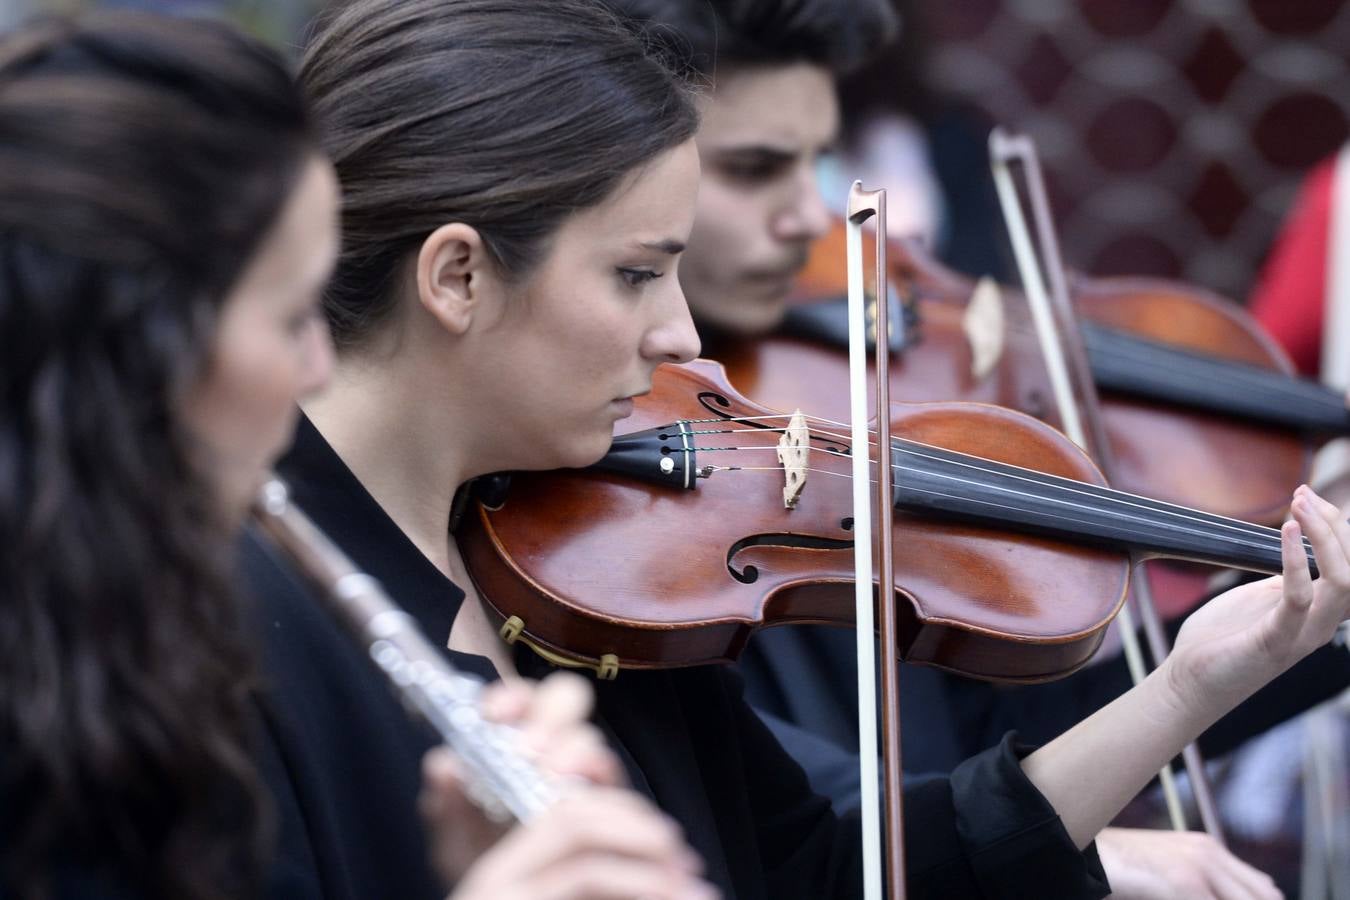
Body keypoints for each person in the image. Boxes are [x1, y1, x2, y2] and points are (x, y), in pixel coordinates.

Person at [235, 0, 1350, 896]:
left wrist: (1197, 682)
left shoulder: (570, 561)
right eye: (634, 273)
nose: (681, 335)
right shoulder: (226, 635)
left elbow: (828, 872)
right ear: (459, 276)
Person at [604, 1, 1350, 897]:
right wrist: (1100, 847)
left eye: (819, 164)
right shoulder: (607, 499)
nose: (810, 217)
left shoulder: (820, 447)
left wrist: (1277, 634)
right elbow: (818, 825)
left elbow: (994, 737)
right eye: (755, 169)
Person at [0, 12, 708, 900]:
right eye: (291, 316)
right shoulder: (122, 663)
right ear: (149, 345)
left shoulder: (119, 633)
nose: (318, 363)